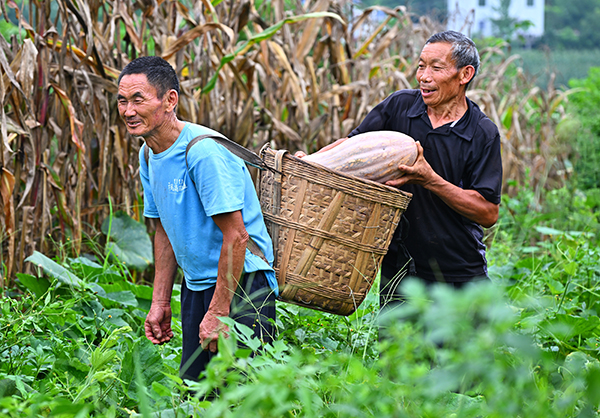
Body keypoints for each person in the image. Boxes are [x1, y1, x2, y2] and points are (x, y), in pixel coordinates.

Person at [300, 31, 502, 308]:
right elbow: (350, 148)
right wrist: (309, 162)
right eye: (421, 65)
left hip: (460, 275)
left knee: (460, 353)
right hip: (401, 272)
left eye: (436, 67)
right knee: (398, 352)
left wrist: (430, 180)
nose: (423, 76)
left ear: (464, 74)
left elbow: (488, 212)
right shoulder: (400, 107)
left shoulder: (481, 132)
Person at [117, 56, 278, 381]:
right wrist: (159, 301)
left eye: (138, 99)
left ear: (170, 100)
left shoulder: (201, 152)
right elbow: (165, 229)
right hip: (197, 285)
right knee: (196, 393)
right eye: (122, 101)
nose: (128, 111)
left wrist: (220, 311)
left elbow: (237, 236)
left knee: (242, 397)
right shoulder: (149, 153)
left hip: (243, 286)